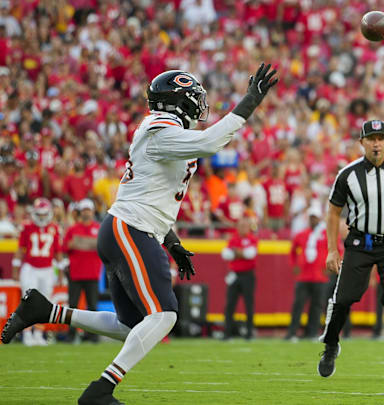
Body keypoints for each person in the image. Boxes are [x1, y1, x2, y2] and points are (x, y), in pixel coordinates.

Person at [1, 63, 278, 405]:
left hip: (132, 228)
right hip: (131, 229)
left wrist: (172, 242)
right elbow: (210, 143)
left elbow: (154, 192)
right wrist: (249, 102)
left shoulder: (164, 131)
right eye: (194, 99)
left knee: (131, 326)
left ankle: (45, 311)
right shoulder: (159, 126)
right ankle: (100, 391)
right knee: (165, 314)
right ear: (178, 102)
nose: (200, 106)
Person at [319, 119, 384, 381]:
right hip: (360, 243)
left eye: (381, 138)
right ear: (362, 143)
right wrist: (332, 249)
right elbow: (333, 211)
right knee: (344, 299)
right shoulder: (348, 174)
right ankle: (331, 345)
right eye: (371, 138)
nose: (376, 143)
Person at [10, 197, 62, 346]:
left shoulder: (55, 228)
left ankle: (39, 334)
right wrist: (15, 269)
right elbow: (20, 249)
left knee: (44, 303)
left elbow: (57, 253)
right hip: (30, 268)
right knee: (27, 301)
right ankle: (27, 334)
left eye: (44, 214)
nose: (41, 217)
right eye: (39, 214)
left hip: (47, 269)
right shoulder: (27, 227)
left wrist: (61, 273)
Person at [285, 206, 329, 341]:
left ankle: (312, 332)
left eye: (315, 217)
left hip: (319, 277)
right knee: (298, 305)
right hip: (303, 276)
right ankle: (292, 332)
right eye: (311, 217)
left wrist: (330, 267)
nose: (313, 220)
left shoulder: (326, 234)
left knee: (316, 306)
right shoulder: (301, 234)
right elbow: (292, 251)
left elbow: (337, 250)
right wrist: (294, 266)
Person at [63, 198, 102, 343]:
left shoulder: (98, 228)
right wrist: (75, 244)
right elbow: (64, 248)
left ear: (92, 211)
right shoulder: (73, 229)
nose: (87, 213)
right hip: (76, 273)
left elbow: (103, 247)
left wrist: (80, 243)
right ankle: (71, 334)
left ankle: (93, 335)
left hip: (92, 273)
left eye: (89, 210)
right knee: (72, 305)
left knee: (92, 306)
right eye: (84, 210)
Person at [221, 216, 259, 340]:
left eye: (245, 226)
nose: (243, 228)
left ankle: (249, 333)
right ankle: (227, 333)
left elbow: (251, 254)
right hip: (235, 274)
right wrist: (241, 253)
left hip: (248, 275)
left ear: (249, 227)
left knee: (249, 305)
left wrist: (236, 253)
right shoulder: (233, 239)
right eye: (241, 226)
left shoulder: (252, 239)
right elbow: (226, 254)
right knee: (230, 304)